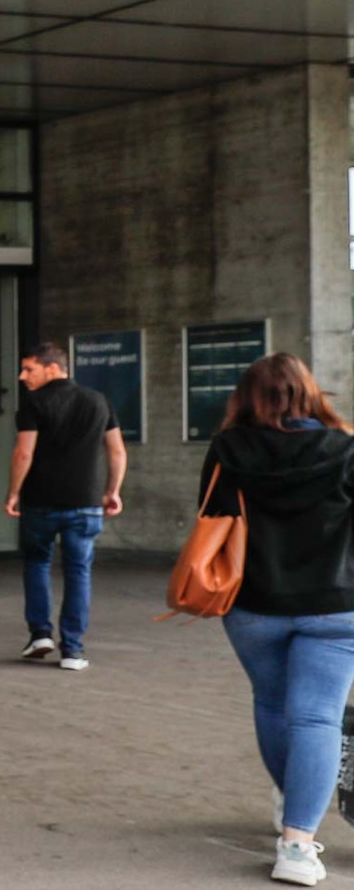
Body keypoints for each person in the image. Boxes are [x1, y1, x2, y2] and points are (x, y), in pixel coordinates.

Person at [201, 354, 354, 886]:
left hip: (252, 601)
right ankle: (296, 845)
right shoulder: (346, 449)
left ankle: (293, 797)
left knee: (271, 702)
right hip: (335, 603)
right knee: (316, 718)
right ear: (309, 393)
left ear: (245, 398)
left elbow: (212, 515)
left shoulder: (228, 449)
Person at [6, 341, 126, 670]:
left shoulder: (33, 404)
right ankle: (73, 650)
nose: (22, 376)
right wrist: (112, 490)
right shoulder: (98, 401)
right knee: (78, 572)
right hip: (85, 502)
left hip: (40, 501)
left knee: (37, 564)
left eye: (29, 369)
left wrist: (14, 492)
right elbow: (116, 451)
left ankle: (40, 635)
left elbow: (23, 453)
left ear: (52, 368)